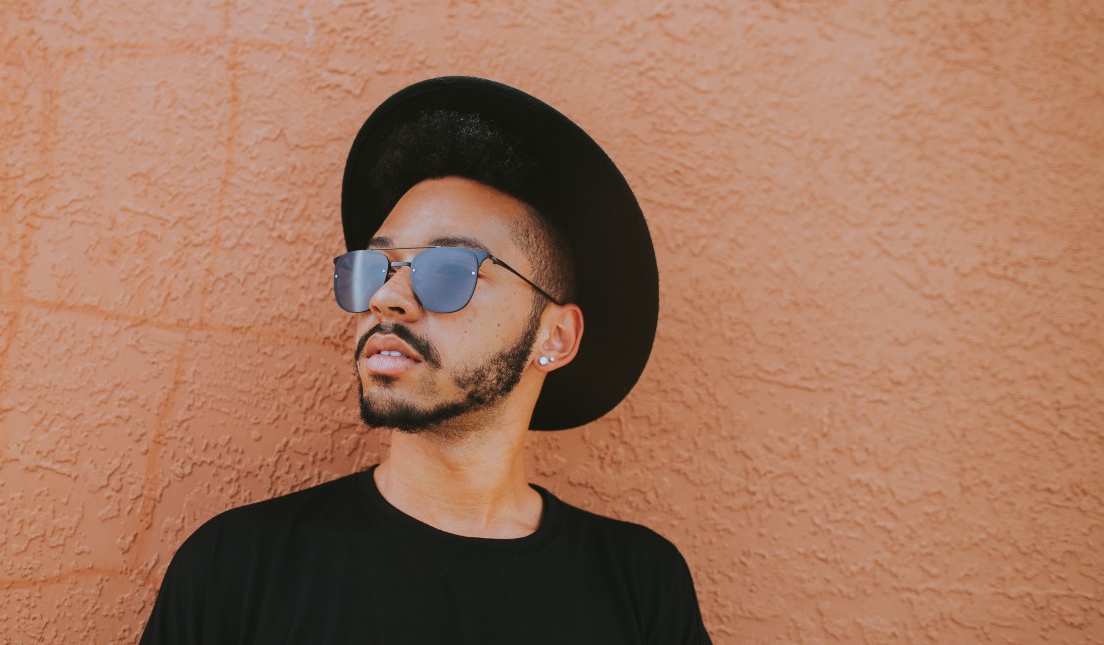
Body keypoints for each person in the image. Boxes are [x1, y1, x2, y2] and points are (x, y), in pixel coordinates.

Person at [139, 76, 711, 644]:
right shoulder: (236, 569)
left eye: (448, 272)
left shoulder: (641, 588)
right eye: (376, 268)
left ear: (555, 336)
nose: (386, 298)